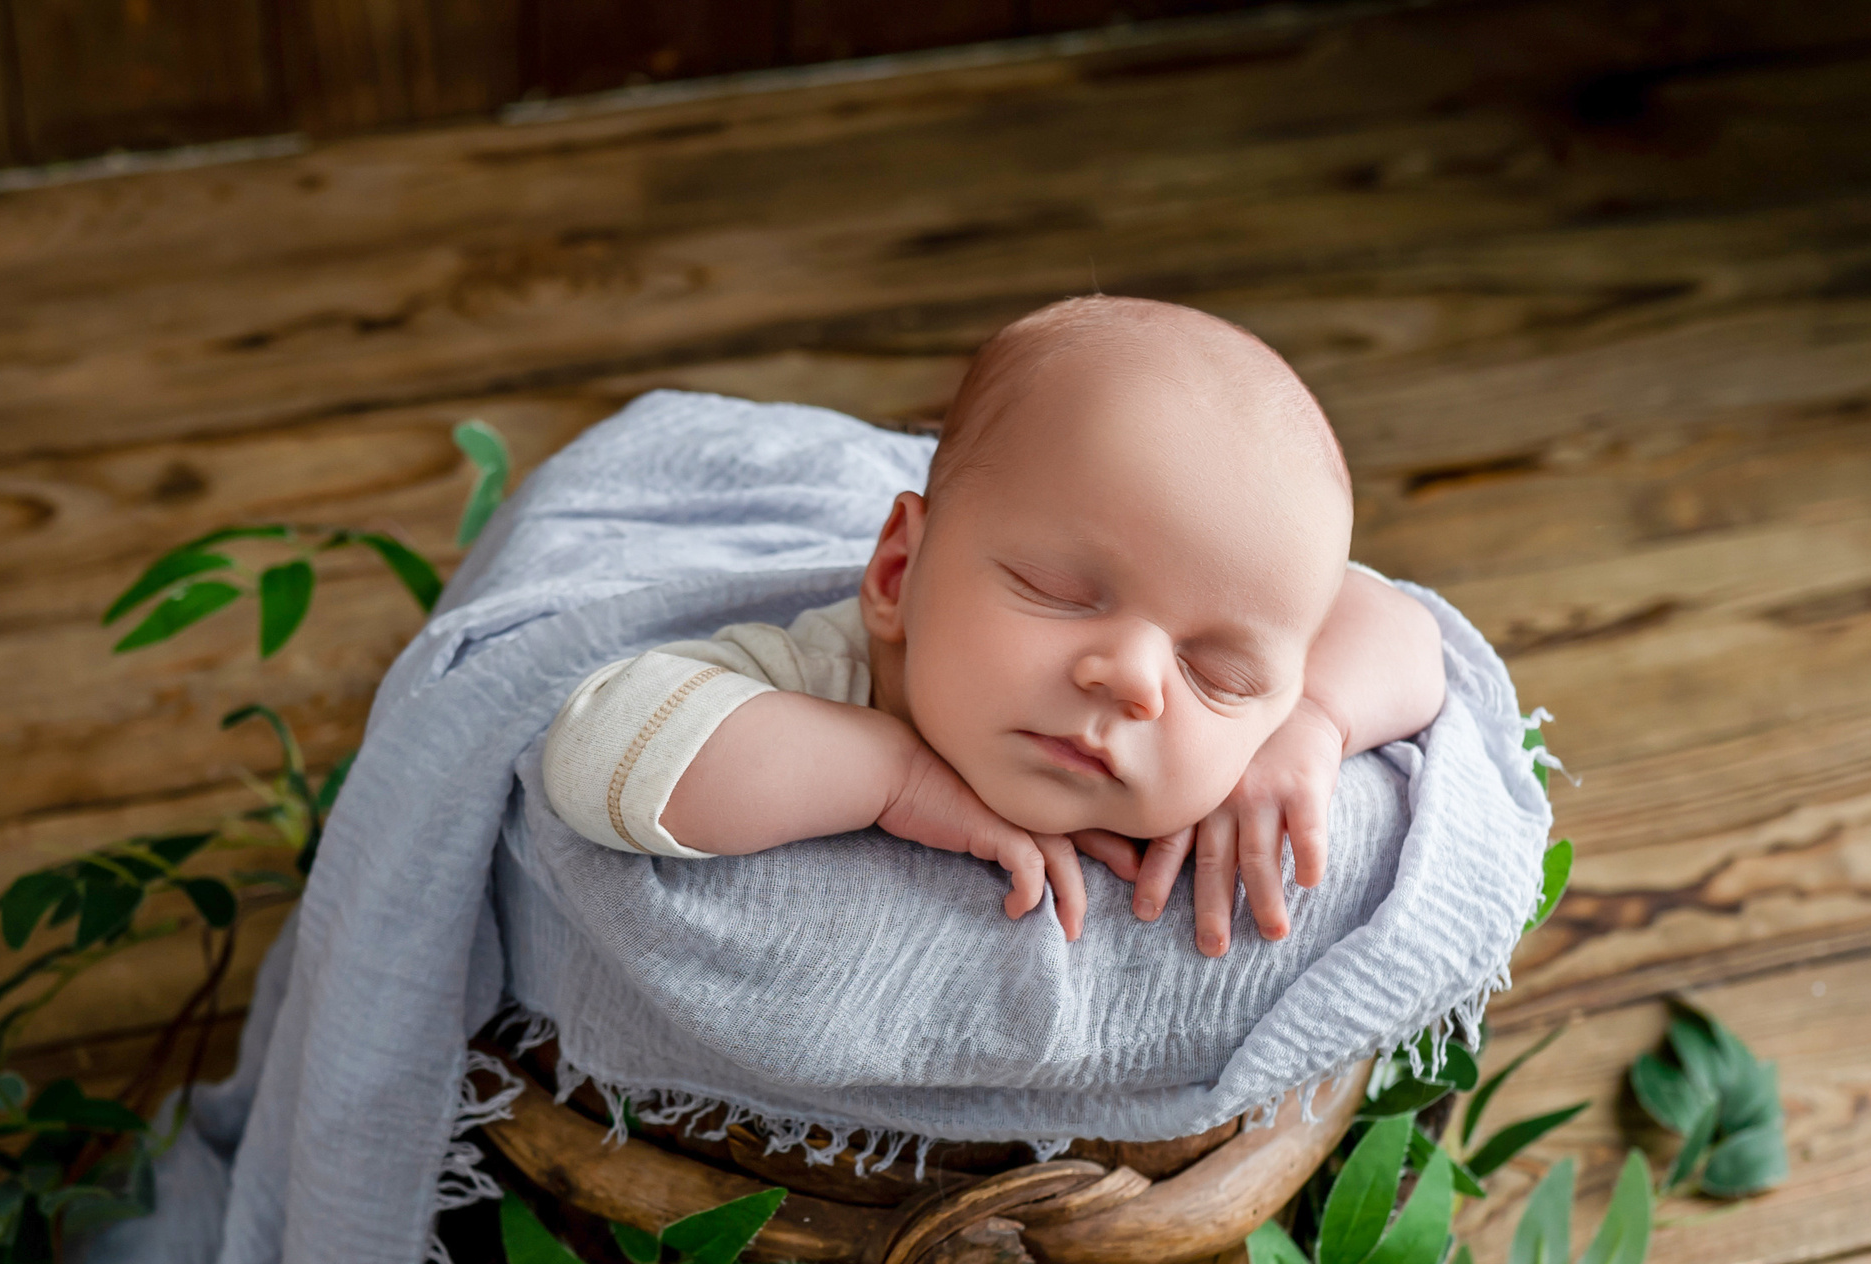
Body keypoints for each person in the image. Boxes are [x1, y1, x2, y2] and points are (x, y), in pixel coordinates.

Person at [540, 294, 1446, 947]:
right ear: (899, 573)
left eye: (1220, 672)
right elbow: (594, 752)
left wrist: (1310, 720)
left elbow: (1407, 632)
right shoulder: (826, 673)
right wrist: (892, 776)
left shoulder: (1247, 733)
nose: (1135, 680)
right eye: (1056, 589)